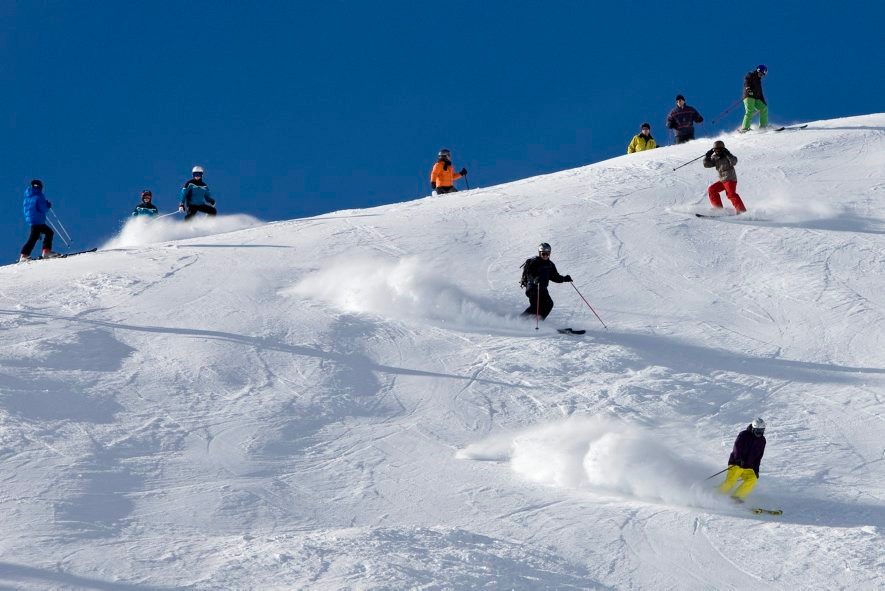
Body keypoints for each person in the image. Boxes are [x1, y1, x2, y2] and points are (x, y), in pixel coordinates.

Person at [519, 242, 572, 320]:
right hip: (533, 288)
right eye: (543, 254)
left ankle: (539, 321)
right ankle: (520, 319)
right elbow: (530, 272)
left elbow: (555, 277)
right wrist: (535, 278)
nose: (545, 256)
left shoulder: (550, 264)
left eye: (547, 254)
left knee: (549, 304)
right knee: (535, 306)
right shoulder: (535, 261)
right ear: (540, 253)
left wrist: (564, 279)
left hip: (543, 289)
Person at [718, 418, 767, 502]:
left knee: (752, 479)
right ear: (753, 428)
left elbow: (759, 456)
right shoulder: (744, 435)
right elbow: (737, 447)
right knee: (731, 481)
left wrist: (756, 470)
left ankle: (736, 497)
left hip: (748, 466)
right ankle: (716, 495)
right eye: (758, 431)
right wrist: (738, 459)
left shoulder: (762, 440)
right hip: (736, 463)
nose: (760, 433)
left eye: (762, 431)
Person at [19, 179, 60, 262]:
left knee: (46, 233)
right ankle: (25, 255)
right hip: (38, 220)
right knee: (34, 237)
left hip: (32, 220)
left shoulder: (27, 198)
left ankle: (45, 251)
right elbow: (43, 208)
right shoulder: (39, 195)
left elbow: (26, 210)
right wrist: (47, 205)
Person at [703, 140, 746, 214]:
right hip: (722, 180)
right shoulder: (715, 157)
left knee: (731, 194)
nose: (718, 151)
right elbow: (707, 165)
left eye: (720, 149)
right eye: (716, 149)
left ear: (723, 149)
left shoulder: (727, 156)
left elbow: (734, 162)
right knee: (712, 189)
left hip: (730, 179)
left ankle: (741, 211)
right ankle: (718, 209)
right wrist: (707, 156)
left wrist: (728, 154)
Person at [740, 64, 769, 132]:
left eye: (762, 75)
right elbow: (746, 81)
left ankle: (763, 126)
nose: (761, 76)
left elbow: (760, 93)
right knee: (750, 111)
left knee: (764, 108)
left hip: (756, 98)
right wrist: (748, 89)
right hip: (748, 96)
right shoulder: (751, 74)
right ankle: (745, 128)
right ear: (757, 71)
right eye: (760, 73)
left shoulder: (759, 81)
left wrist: (763, 102)